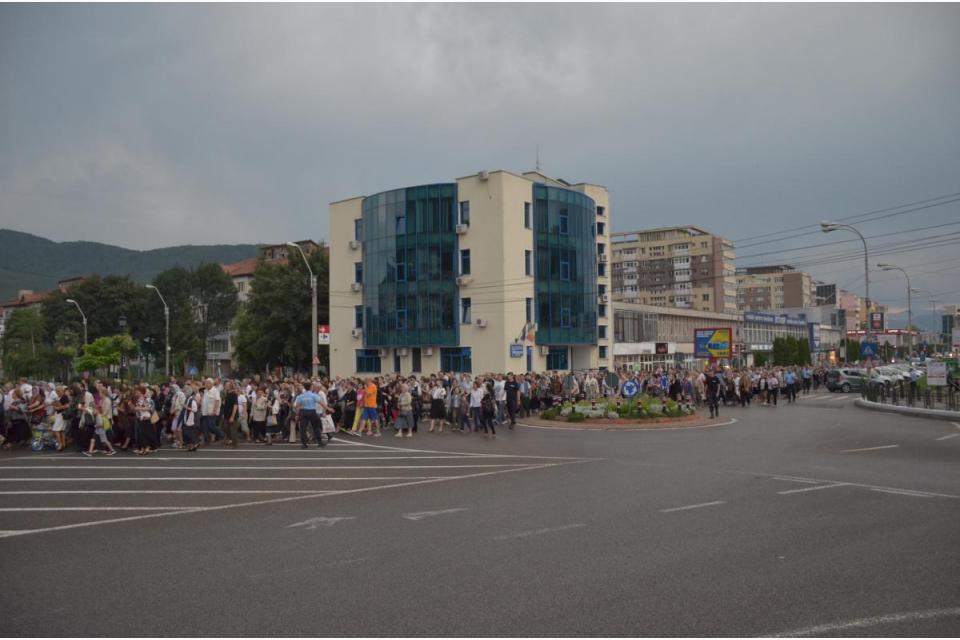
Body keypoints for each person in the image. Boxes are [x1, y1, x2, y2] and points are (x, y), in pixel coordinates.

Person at [294, 381, 329, 448]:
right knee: (316, 427)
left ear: (304, 387)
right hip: (312, 411)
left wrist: (297, 415)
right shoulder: (313, 395)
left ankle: (304, 444)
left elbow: (297, 406)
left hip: (303, 412)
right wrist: (328, 408)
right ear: (310, 387)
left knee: (303, 428)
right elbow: (322, 403)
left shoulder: (301, 396)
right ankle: (320, 442)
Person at [200, 378, 225, 444]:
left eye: (207, 383)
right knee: (204, 427)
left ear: (211, 384)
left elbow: (217, 401)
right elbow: (204, 401)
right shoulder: (205, 391)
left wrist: (214, 411)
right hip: (205, 412)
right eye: (205, 383)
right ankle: (206, 440)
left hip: (211, 412)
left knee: (211, 426)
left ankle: (222, 434)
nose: (206, 384)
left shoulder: (215, 391)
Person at [222, 381, 240, 448]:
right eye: (225, 385)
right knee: (226, 428)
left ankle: (235, 444)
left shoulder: (234, 394)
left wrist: (232, 416)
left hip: (232, 415)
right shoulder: (227, 394)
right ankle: (230, 440)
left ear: (230, 386)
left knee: (233, 430)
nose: (225, 386)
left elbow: (235, 405)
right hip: (226, 415)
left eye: (227, 385)